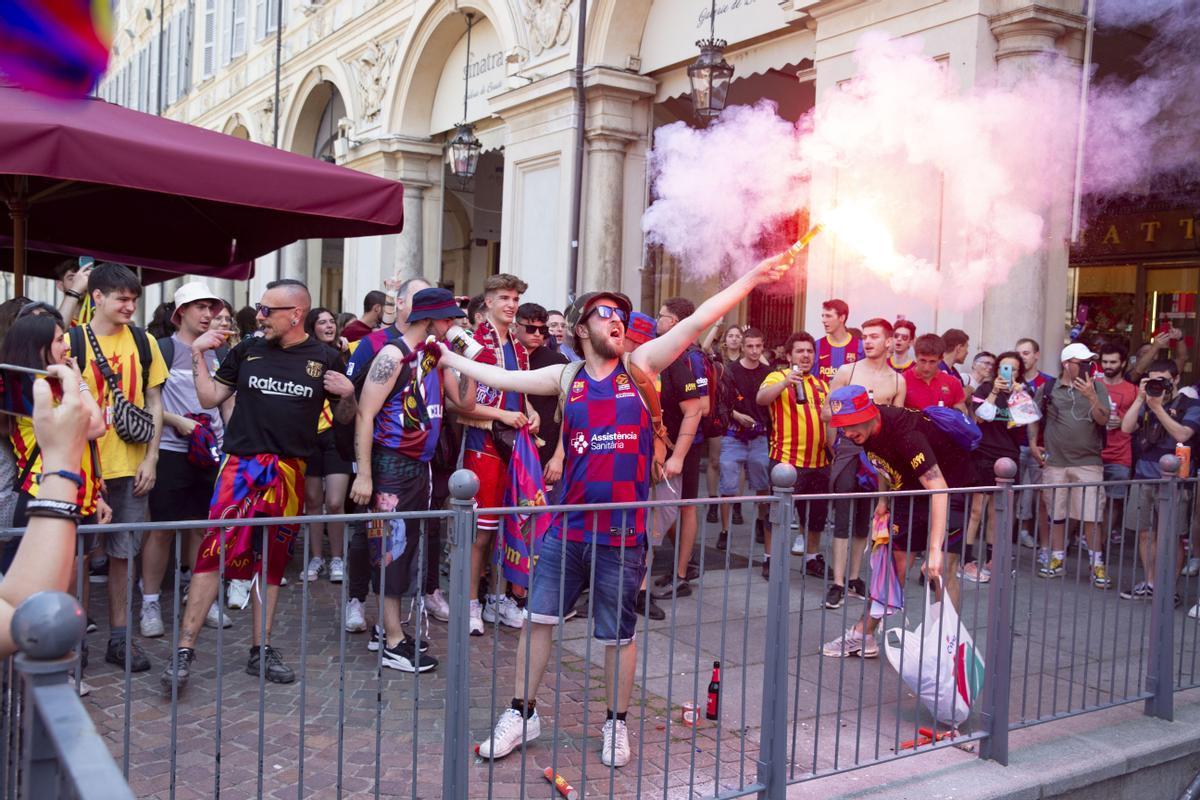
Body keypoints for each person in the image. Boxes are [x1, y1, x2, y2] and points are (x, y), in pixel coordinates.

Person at [441, 249, 790, 768]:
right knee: (538, 621)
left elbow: (698, 320)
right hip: (568, 527)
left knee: (618, 634)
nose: (617, 320)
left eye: (620, 315)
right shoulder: (565, 376)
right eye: (605, 313)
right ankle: (522, 711)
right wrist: (445, 356)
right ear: (582, 327)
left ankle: (615, 724)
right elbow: (502, 382)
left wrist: (753, 278)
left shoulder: (641, 364)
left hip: (624, 530)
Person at [160, 279, 354, 689]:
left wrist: (350, 395)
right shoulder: (247, 350)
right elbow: (210, 398)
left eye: (268, 310)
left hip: (289, 474)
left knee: (272, 562)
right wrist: (198, 354)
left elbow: (342, 421)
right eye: (260, 309)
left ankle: (260, 650)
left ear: (296, 314)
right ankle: (184, 649)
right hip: (240, 469)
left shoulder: (325, 357)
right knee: (213, 553)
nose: (260, 316)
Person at [348, 288, 475, 671]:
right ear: (430, 319)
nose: (454, 324)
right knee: (391, 550)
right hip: (391, 465)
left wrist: (463, 362)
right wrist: (366, 474)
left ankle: (389, 632)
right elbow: (364, 414)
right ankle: (392, 641)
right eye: (448, 318)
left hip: (420, 466)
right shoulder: (392, 354)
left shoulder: (433, 356)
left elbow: (463, 403)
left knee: (408, 548)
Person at [821, 385, 979, 658]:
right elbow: (881, 460)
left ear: (869, 414)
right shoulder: (865, 431)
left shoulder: (907, 435)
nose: (846, 433)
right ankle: (864, 635)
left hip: (950, 486)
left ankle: (947, 646)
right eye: (841, 426)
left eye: (850, 425)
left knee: (941, 570)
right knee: (894, 565)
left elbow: (938, 489)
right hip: (908, 489)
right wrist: (883, 500)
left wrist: (932, 551)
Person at [73, 263, 169, 674]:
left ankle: (118, 637)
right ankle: (73, 643)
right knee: (75, 556)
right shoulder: (73, 340)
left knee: (123, 554)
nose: (130, 306)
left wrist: (152, 457)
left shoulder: (145, 342)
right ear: (97, 297)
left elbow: (155, 402)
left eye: (134, 299)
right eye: (122, 299)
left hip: (129, 465)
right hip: (81, 467)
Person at [140, 282, 234, 639]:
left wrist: (232, 447)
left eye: (211, 307)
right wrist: (178, 422)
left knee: (202, 529)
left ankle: (201, 599)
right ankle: (150, 601)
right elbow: (149, 404)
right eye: (200, 307)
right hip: (170, 452)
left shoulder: (221, 353)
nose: (208, 314)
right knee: (161, 530)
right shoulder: (162, 349)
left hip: (212, 454)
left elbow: (227, 404)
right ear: (181, 313)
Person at [343, 277, 432, 633]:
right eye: (418, 298)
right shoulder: (375, 344)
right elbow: (355, 409)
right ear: (399, 302)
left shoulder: (433, 348)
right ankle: (356, 598)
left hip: (418, 464)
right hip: (380, 459)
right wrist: (363, 468)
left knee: (402, 540)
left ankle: (392, 619)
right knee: (370, 535)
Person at [0, 359, 98, 659]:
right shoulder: (30, 396)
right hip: (36, 494)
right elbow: (24, 620)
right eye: (58, 340)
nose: (66, 348)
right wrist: (61, 461)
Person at [460, 274, 539, 635]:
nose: (511, 304)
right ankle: (470, 602)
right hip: (484, 445)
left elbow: (520, 396)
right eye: (504, 298)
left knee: (511, 527)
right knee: (481, 532)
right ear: (487, 302)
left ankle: (498, 599)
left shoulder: (521, 349)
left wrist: (529, 411)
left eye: (515, 299)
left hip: (516, 445)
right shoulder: (473, 345)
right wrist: (501, 415)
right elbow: (459, 405)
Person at [824, 317, 904, 610]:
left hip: (877, 455)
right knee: (843, 514)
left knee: (866, 517)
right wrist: (838, 440)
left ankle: (855, 577)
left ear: (888, 342)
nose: (868, 342)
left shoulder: (897, 380)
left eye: (874, 337)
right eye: (865, 337)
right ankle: (837, 581)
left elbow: (897, 426)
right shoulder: (848, 371)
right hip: (847, 447)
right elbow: (825, 412)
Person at [1028, 343, 1112, 587]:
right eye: (1082, 362)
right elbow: (1033, 415)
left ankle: (1097, 564)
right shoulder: (1050, 388)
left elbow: (1104, 419)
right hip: (1055, 462)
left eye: (1089, 363)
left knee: (1092, 515)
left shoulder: (1097, 387)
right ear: (1067, 364)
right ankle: (1056, 559)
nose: (1088, 367)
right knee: (1057, 513)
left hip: (1088, 462)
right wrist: (1033, 443)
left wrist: (1092, 397)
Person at [1118, 360, 1200, 604]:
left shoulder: (1191, 404)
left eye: (1163, 380)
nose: (1158, 385)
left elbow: (1183, 434)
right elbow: (1126, 427)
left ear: (1175, 380)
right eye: (1152, 380)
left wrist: (1159, 408)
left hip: (1175, 481)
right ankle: (1152, 583)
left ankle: (1168, 588)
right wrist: (1141, 399)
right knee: (1145, 534)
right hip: (1144, 476)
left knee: (1172, 536)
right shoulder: (1148, 401)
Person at [756, 332, 830, 579]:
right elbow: (761, 398)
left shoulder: (822, 385)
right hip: (786, 461)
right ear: (789, 356)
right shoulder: (777, 376)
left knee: (816, 516)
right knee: (777, 515)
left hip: (819, 462)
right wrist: (786, 382)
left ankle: (811, 558)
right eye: (800, 351)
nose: (806, 355)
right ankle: (770, 559)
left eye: (810, 351)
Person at [650, 298, 706, 598]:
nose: (656, 321)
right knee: (671, 508)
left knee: (685, 507)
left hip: (686, 445)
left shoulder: (689, 357)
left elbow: (702, 406)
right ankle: (680, 566)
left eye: (661, 316)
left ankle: (683, 572)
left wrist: (680, 452)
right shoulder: (666, 352)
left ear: (675, 322)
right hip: (668, 444)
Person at [965, 351, 1028, 582]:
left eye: (1012, 369)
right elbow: (982, 417)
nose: (1007, 373)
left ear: (1019, 372)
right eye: (1003, 367)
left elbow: (1025, 420)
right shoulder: (984, 389)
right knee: (976, 509)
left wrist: (1018, 396)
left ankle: (993, 559)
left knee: (997, 511)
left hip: (1009, 456)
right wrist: (994, 391)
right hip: (984, 453)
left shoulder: (1022, 393)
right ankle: (966, 559)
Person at [300, 308, 353, 584]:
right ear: (312, 327)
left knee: (334, 502)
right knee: (312, 501)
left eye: (332, 321)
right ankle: (316, 557)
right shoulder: (300, 355)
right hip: (308, 436)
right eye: (322, 322)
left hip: (336, 435)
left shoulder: (337, 356)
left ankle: (337, 558)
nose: (329, 326)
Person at [710, 327, 771, 565]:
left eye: (759, 346)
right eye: (751, 346)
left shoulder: (769, 372)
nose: (755, 351)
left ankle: (761, 522)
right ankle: (725, 530)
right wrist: (736, 415)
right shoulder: (731, 370)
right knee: (728, 485)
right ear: (742, 347)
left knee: (763, 485)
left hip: (760, 436)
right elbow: (720, 401)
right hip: (733, 435)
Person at [516, 303, 568, 475]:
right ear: (515, 326)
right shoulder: (507, 357)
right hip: (508, 450)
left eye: (542, 330)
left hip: (547, 455)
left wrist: (558, 457)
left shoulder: (558, 361)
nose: (538, 334)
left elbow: (568, 413)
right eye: (531, 328)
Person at [1014, 337, 1054, 549]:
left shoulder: (1048, 383)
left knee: (1041, 495)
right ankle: (1008, 541)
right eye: (1019, 353)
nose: (1022, 357)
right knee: (1011, 493)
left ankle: (1044, 545)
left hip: (1040, 445)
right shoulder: (1009, 379)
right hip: (1013, 444)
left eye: (1026, 353)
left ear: (1037, 355)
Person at [702, 324, 742, 525]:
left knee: (738, 463)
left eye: (738, 336)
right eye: (731, 336)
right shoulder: (719, 358)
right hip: (721, 414)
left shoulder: (747, 359)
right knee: (715, 460)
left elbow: (765, 365)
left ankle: (737, 505)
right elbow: (704, 346)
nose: (735, 339)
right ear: (726, 339)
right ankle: (712, 502)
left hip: (742, 416)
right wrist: (717, 324)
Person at [1098, 343, 1136, 545]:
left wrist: (1124, 422)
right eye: (1105, 361)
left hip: (1120, 453)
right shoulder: (1093, 385)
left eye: (1113, 362)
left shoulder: (1133, 390)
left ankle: (1101, 545)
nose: (1108, 366)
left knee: (1114, 502)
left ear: (1123, 363)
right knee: (1089, 500)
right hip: (1093, 452)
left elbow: (1140, 424)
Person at [904, 334, 968, 412]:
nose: (926, 367)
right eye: (923, 361)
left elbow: (961, 416)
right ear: (916, 356)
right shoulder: (903, 381)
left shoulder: (953, 383)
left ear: (940, 359)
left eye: (932, 362)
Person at [816, 299, 864, 384]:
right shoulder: (817, 346)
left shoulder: (860, 347)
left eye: (828, 316)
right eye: (822, 316)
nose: (823, 320)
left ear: (842, 317)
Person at [55, 258, 94, 327]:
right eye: (71, 278)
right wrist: (75, 290)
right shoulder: (50, 319)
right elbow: (60, 329)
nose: (79, 282)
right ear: (60, 285)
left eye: (84, 277)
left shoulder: (95, 318)